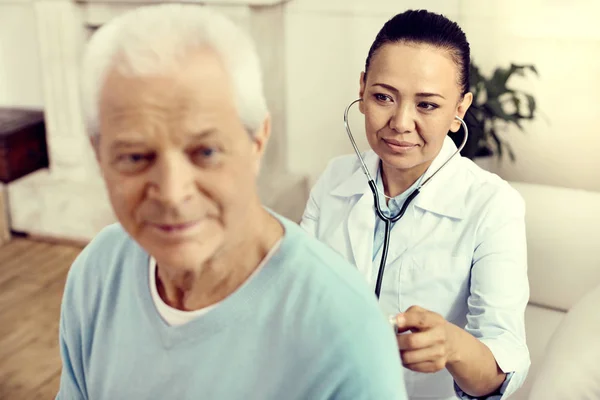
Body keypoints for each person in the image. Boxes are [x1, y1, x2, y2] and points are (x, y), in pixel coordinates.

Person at [56, 4, 408, 399]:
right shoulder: (97, 272)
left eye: (205, 152)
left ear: (257, 141)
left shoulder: (347, 334)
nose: (172, 194)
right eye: (136, 157)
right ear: (98, 155)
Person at [301, 9, 530, 400]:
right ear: (362, 90)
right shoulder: (334, 180)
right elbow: (298, 297)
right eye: (383, 97)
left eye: (427, 105)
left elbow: (502, 367)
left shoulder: (493, 205)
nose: (401, 122)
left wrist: (452, 345)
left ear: (459, 110)